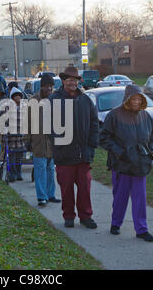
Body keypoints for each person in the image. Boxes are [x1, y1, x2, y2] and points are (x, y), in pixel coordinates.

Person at [99, 84, 153, 242]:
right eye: (134, 98)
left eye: (139, 98)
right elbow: (103, 138)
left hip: (140, 164)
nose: (137, 101)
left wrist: (150, 152)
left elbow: (152, 135)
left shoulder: (145, 116)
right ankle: (115, 223)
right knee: (120, 197)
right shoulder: (114, 115)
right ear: (127, 98)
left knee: (140, 198)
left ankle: (141, 229)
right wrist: (120, 152)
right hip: (121, 164)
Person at [49, 66, 99, 229]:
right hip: (64, 154)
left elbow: (94, 124)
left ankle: (86, 216)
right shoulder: (53, 100)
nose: (72, 83)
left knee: (85, 188)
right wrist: (58, 144)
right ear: (63, 81)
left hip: (83, 154)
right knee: (66, 188)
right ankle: (69, 216)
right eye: (69, 80)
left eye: (75, 80)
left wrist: (91, 146)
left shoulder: (85, 100)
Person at [25, 74, 61, 206]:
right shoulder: (33, 101)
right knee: (40, 169)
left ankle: (51, 194)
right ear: (42, 87)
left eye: (51, 87)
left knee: (51, 169)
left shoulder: (55, 100)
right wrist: (27, 140)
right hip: (38, 141)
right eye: (47, 87)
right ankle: (41, 196)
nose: (50, 89)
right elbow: (28, 122)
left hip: (51, 141)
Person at [7, 87, 27, 182]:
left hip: (21, 135)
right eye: (16, 96)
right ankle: (12, 173)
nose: (18, 98)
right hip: (11, 136)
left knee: (19, 156)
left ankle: (19, 173)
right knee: (12, 156)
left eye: (19, 96)